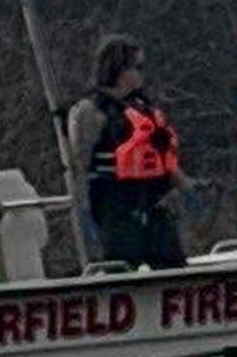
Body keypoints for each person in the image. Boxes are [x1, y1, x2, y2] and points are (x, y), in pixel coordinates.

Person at [68, 35, 192, 269]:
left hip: (153, 204)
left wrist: (185, 188)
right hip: (117, 208)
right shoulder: (91, 111)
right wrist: (86, 212)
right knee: (121, 269)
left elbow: (163, 157)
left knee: (175, 268)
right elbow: (80, 164)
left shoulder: (144, 109)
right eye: (137, 67)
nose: (141, 74)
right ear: (119, 69)